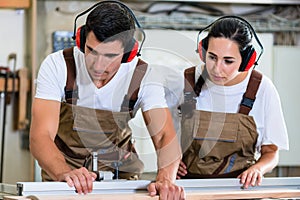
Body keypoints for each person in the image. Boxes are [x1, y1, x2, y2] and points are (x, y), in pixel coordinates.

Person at [30, 1, 185, 199]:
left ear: (128, 53)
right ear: (81, 40)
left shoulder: (143, 76)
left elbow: (164, 136)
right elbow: (40, 136)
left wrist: (165, 179)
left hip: (120, 177)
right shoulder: (58, 65)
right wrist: (63, 172)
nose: (98, 66)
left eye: (110, 56)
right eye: (91, 51)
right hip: (64, 177)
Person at [176, 16, 289, 189]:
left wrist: (258, 169)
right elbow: (164, 137)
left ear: (247, 61)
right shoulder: (186, 81)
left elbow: (271, 152)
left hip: (239, 189)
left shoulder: (261, 89)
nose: (216, 68)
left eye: (228, 61)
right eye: (212, 57)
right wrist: (169, 161)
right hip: (189, 188)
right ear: (202, 50)